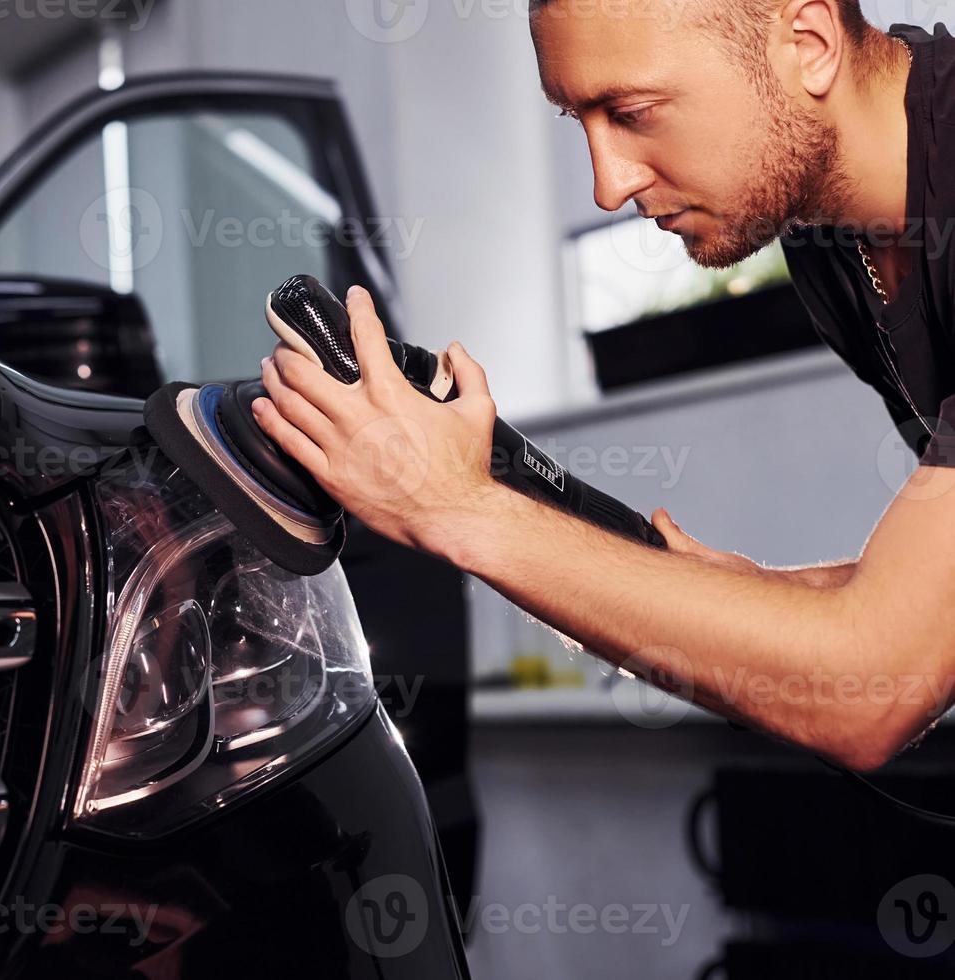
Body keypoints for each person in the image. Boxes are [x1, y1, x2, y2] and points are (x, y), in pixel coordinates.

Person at [253, 0, 955, 772]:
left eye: (632, 111)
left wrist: (453, 506)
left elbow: (868, 689)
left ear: (809, 43)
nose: (607, 185)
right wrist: (757, 599)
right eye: (578, 121)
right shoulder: (832, 238)